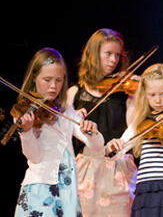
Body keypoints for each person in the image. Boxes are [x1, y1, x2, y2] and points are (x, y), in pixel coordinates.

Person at [14, 47, 104, 216]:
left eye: (59, 80)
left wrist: (91, 131)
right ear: (34, 78)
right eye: (47, 80)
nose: (53, 86)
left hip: (67, 190)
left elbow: (98, 147)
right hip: (39, 187)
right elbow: (34, 156)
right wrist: (26, 132)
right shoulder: (26, 113)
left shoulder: (67, 111)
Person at [66, 28, 137, 216]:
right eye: (108, 54)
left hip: (118, 165)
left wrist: (139, 94)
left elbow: (134, 126)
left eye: (117, 55)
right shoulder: (75, 93)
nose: (113, 60)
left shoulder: (125, 92)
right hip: (86, 168)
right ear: (93, 55)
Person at [106, 63, 163, 217]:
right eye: (152, 95)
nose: (158, 100)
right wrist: (112, 146)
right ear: (145, 94)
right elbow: (117, 153)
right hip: (146, 188)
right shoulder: (140, 121)